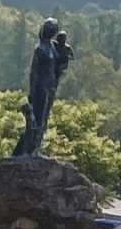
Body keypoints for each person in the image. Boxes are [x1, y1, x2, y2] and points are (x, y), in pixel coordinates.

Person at [12, 17, 74, 158]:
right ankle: (27, 151)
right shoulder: (40, 49)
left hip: (50, 88)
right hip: (41, 89)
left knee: (43, 121)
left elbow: (59, 61)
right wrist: (33, 91)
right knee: (36, 121)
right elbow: (33, 73)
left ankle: (33, 149)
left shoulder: (52, 46)